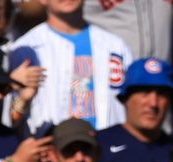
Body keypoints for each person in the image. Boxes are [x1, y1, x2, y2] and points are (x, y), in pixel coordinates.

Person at [8, 0, 132, 131]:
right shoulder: (26, 47)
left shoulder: (115, 45)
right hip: (54, 146)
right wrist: (15, 90)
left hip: (107, 144)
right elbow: (9, 119)